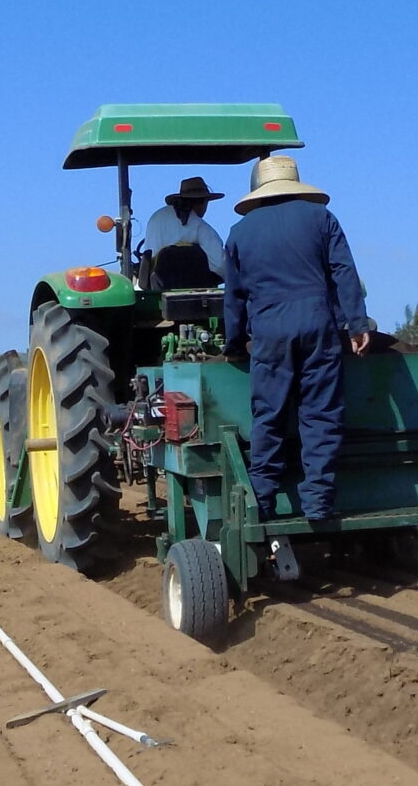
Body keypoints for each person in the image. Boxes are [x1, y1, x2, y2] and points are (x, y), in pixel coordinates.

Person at [221, 154, 374, 542]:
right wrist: (356, 324)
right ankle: (318, 501)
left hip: (269, 330)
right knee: (319, 414)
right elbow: (343, 272)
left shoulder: (240, 232)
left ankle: (264, 500)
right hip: (317, 323)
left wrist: (234, 344)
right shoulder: (321, 219)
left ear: (258, 190)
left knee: (269, 416)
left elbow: (234, 297)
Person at [140, 175, 227, 287]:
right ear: (202, 202)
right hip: (194, 294)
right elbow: (220, 265)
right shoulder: (200, 226)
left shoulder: (155, 218)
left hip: (157, 289)